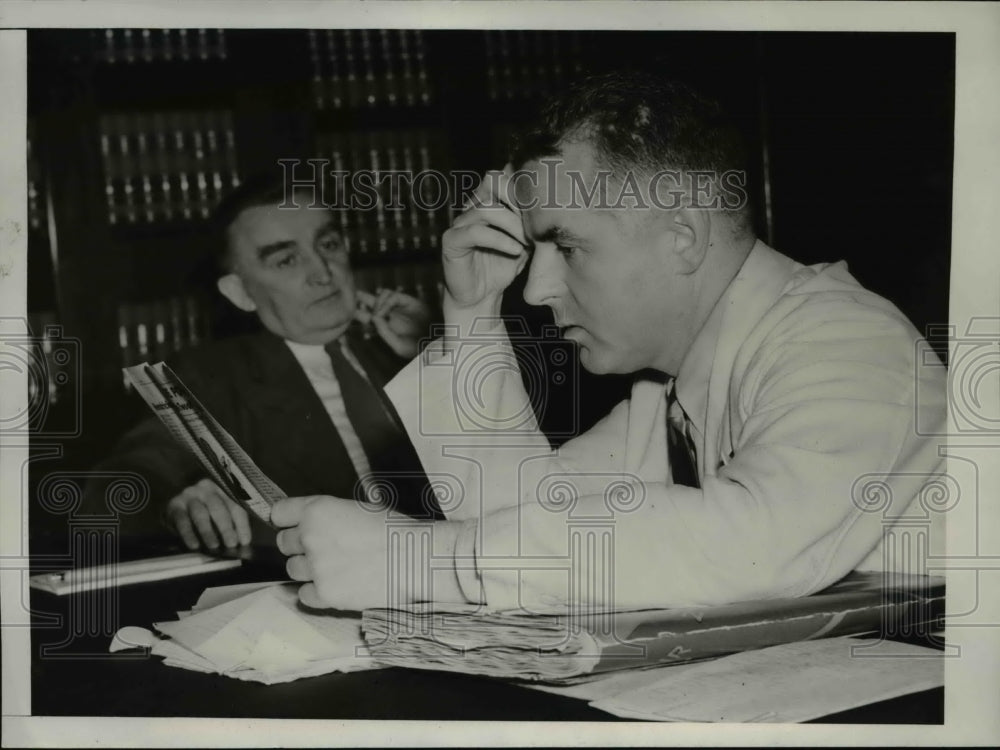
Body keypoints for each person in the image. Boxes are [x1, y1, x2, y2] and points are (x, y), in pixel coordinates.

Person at [272, 72, 948, 613]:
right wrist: (474, 314)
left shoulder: (849, 343)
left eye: (566, 246)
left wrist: (419, 562)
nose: (535, 290)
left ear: (682, 236)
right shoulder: (670, 392)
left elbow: (751, 545)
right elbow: (517, 517)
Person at [87, 176, 433, 551]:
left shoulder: (415, 350)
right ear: (240, 292)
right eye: (287, 260)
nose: (323, 272)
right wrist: (179, 503)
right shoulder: (211, 376)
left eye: (329, 244)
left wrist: (440, 351)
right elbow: (120, 484)